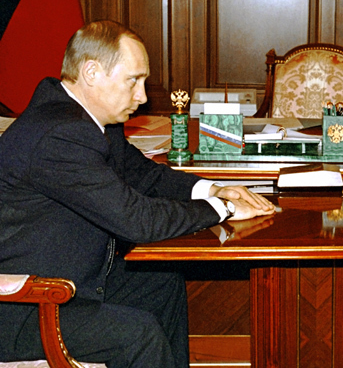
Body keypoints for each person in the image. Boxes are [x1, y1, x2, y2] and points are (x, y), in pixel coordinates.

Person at [0, 20, 276, 367]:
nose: (143, 97)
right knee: (139, 335)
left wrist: (212, 188)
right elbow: (137, 220)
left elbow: (141, 174)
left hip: (72, 279)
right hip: (25, 305)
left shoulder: (90, 120)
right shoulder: (60, 134)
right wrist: (222, 208)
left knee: (162, 284)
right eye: (134, 80)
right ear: (91, 72)